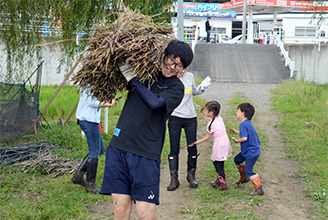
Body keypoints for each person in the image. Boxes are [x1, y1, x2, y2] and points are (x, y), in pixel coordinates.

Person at [100, 40, 194, 220]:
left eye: (178, 65)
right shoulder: (146, 73)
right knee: (121, 207)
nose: (171, 66)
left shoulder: (176, 88)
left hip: (145, 153)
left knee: (145, 214)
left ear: (183, 69)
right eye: (170, 59)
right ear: (163, 55)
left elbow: (155, 104)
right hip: (119, 146)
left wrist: (133, 79)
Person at [167, 70, 211, 191]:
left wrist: (203, 86)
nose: (183, 71)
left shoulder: (190, 76)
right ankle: (174, 178)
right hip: (175, 116)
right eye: (181, 67)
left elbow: (194, 92)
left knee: (192, 147)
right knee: (174, 148)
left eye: (185, 68)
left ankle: (191, 175)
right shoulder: (170, 77)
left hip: (190, 117)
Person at [71, 89, 119, 194]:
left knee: (100, 149)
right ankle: (90, 184)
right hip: (87, 120)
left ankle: (78, 175)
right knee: (94, 153)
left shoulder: (94, 85)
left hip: (92, 121)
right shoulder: (89, 85)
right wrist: (109, 104)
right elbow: (92, 102)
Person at [188, 101, 233, 191]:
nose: (205, 112)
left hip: (219, 144)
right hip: (224, 142)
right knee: (218, 162)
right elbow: (209, 121)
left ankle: (222, 184)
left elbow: (207, 137)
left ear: (211, 112)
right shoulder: (219, 118)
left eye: (206, 110)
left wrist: (196, 142)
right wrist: (201, 113)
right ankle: (219, 180)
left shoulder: (211, 124)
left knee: (218, 163)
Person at [228, 102, 264, 195]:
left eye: (237, 110)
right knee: (238, 159)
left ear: (243, 113)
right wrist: (236, 132)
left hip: (251, 152)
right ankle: (244, 178)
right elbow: (245, 133)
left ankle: (259, 188)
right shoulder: (247, 123)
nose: (236, 113)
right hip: (251, 150)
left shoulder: (243, 124)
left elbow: (244, 138)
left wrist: (236, 140)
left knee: (249, 170)